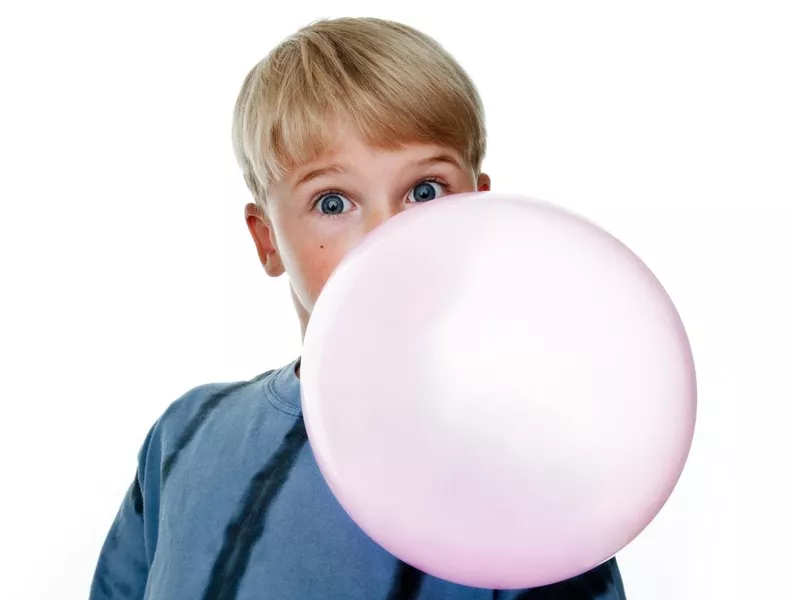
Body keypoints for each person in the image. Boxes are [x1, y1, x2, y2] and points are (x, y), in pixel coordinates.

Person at [90, 17, 627, 600]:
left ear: (477, 219)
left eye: (425, 191)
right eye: (333, 200)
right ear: (267, 238)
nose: (386, 235)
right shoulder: (184, 438)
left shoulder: (528, 482)